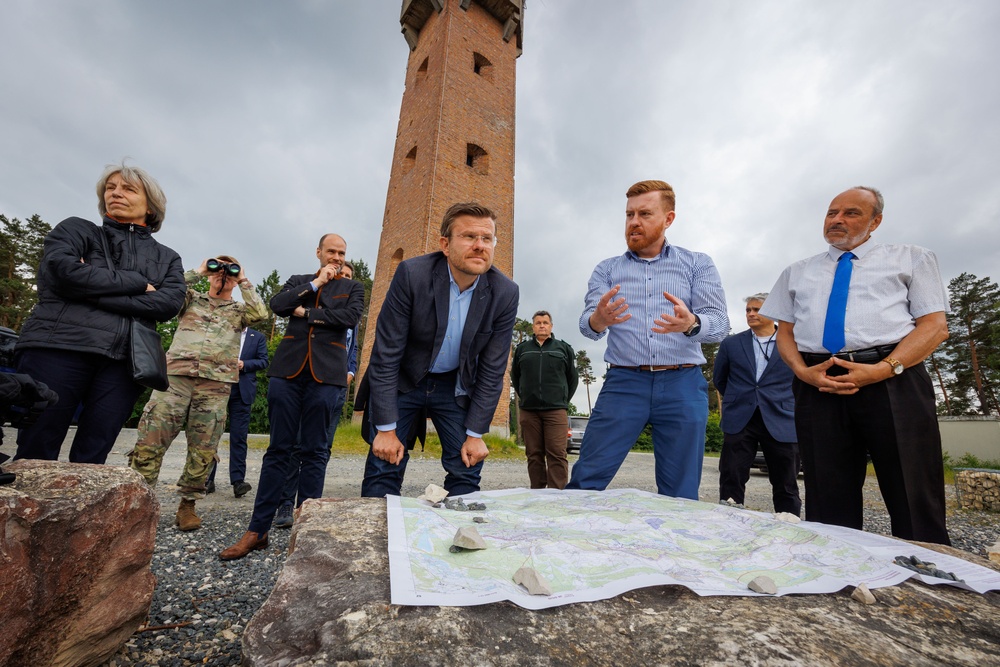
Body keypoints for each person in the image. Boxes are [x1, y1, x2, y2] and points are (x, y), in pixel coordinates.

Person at [761, 186, 951, 544]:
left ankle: (929, 573)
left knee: (912, 487)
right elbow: (784, 332)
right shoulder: (796, 272)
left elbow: (934, 327)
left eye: (851, 213)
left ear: (875, 221)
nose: (837, 220)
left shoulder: (912, 258)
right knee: (827, 491)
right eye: (832, 213)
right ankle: (835, 575)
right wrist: (802, 372)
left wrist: (882, 369)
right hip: (819, 383)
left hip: (894, 378)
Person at [13, 163, 185, 464]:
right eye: (110, 187)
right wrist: (136, 284)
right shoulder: (77, 229)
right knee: (36, 449)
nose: (115, 192)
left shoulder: (167, 258)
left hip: (123, 363)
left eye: (128, 188)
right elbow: (62, 272)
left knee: (93, 455)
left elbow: (167, 305)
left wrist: (89, 286)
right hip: (58, 347)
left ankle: (83, 512)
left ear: (151, 206)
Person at [566, 180, 728, 499]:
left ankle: (673, 547)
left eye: (644, 214)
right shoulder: (607, 270)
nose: (634, 222)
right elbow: (588, 325)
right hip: (625, 383)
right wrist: (600, 319)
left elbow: (720, 324)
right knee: (586, 478)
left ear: (668, 219)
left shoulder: (698, 264)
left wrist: (692, 323)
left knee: (680, 492)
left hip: (683, 384)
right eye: (629, 215)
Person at [360, 203, 519, 498]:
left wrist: (475, 434)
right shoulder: (412, 274)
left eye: (487, 238)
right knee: (385, 464)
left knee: (466, 465)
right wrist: (384, 429)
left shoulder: (505, 292)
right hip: (404, 379)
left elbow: (493, 368)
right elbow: (386, 353)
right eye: (469, 236)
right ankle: (380, 540)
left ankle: (458, 536)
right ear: (445, 244)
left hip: (454, 383)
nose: (480, 246)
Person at [220, 234, 364, 560]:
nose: (337, 257)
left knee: (314, 453)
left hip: (327, 377)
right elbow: (277, 305)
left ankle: (307, 535)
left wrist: (307, 313)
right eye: (332, 252)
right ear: (319, 253)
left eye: (342, 253)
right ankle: (257, 530)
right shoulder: (300, 281)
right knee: (278, 451)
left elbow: (349, 318)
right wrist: (314, 286)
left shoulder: (353, 288)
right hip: (287, 374)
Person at [129, 256, 269, 530]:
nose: (223, 275)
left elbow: (261, 314)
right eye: (219, 270)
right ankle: (137, 504)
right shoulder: (190, 299)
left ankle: (187, 506)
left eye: (229, 270)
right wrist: (201, 269)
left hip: (215, 385)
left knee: (204, 448)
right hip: (175, 378)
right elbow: (163, 293)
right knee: (151, 438)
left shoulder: (239, 310)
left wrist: (242, 279)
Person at [272, 261, 359, 528]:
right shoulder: (312, 289)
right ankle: (286, 502)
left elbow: (351, 345)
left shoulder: (350, 306)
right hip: (308, 377)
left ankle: (309, 506)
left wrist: (351, 372)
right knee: (296, 445)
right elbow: (281, 305)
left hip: (336, 383)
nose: (341, 279)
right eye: (339, 274)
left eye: (347, 276)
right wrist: (317, 311)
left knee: (321, 447)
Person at [714, 293, 801, 515]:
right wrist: (740, 399)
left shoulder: (794, 341)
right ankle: (729, 519)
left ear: (772, 313)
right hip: (740, 418)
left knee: (785, 480)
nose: (751, 314)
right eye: (748, 310)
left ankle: (788, 523)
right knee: (731, 474)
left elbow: (801, 379)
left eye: (756, 310)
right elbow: (720, 379)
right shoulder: (731, 343)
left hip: (781, 418)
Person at [511, 310, 578, 489]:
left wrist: (561, 399)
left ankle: (557, 494)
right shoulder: (522, 349)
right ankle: (537, 493)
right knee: (534, 453)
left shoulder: (563, 348)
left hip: (556, 410)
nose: (542, 325)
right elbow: (516, 377)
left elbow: (572, 378)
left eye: (545, 322)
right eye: (538, 322)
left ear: (551, 326)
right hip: (529, 410)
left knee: (556, 452)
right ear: (533, 327)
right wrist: (526, 395)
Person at [205, 325, 269, 497]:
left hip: (242, 391)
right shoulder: (220, 331)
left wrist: (244, 364)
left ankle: (238, 481)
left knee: (239, 437)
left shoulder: (258, 337)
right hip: (218, 388)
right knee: (211, 435)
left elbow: (264, 361)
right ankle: (207, 479)